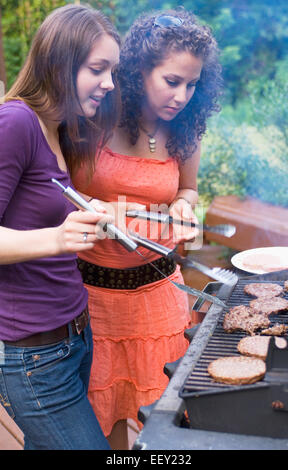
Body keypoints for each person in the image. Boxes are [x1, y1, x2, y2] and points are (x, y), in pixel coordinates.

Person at [73, 7, 222, 449]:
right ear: (139, 71)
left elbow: (190, 190)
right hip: (94, 298)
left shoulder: (188, 129)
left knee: (162, 421)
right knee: (106, 418)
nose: (182, 96)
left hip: (159, 296)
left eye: (192, 84)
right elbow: (57, 192)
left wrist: (182, 204)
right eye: (171, 81)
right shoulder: (95, 117)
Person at [0, 4, 122, 450]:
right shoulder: (15, 122)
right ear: (59, 62)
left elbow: (35, 206)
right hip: (34, 356)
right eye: (98, 69)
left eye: (113, 71)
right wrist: (57, 237)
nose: (110, 83)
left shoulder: (57, 128)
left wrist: (92, 208)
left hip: (74, 337)